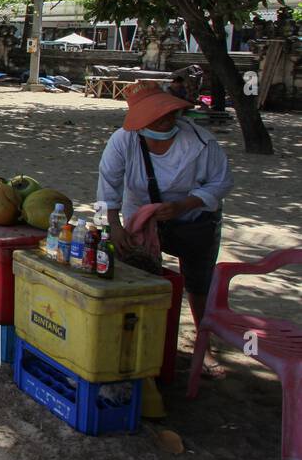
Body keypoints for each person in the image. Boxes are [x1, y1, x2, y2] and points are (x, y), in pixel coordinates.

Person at [96, 80, 233, 334]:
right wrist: (112, 225)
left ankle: (204, 344)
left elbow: (222, 182)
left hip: (195, 218)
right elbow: (107, 187)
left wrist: (184, 205)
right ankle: (140, 332)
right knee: (138, 273)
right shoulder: (122, 141)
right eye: (156, 116)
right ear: (140, 122)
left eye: (168, 113)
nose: (166, 119)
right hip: (142, 217)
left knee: (198, 283)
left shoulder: (201, 143)